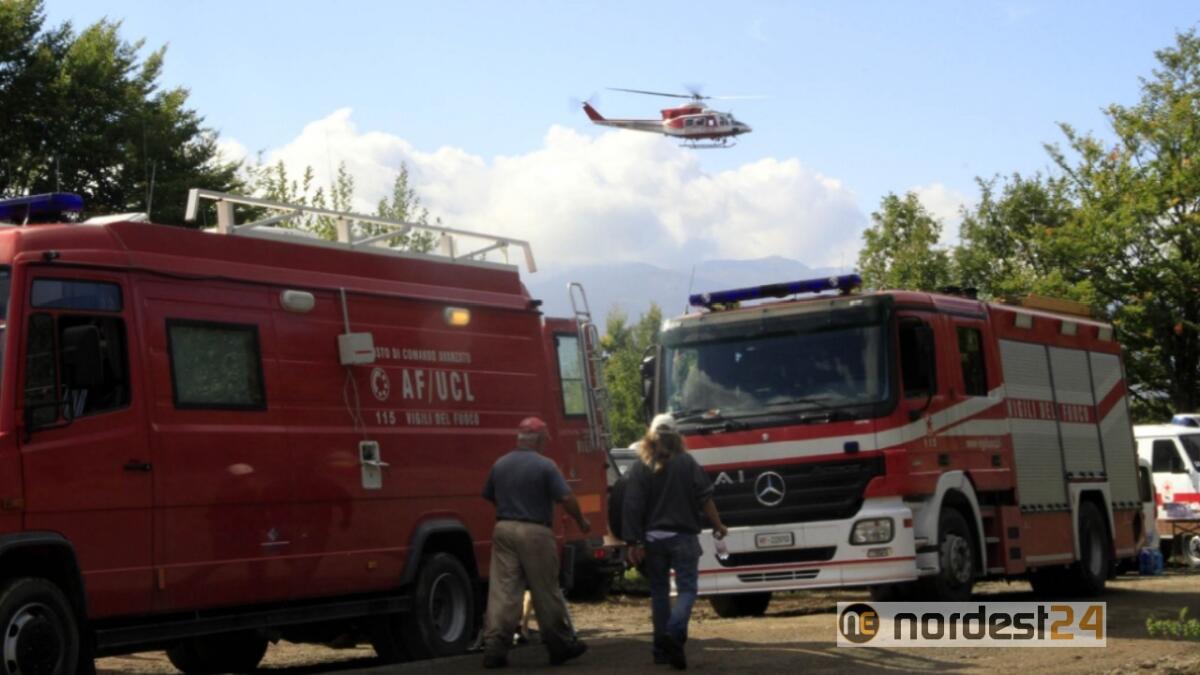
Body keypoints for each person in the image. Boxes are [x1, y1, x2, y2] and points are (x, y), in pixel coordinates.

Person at [481, 417, 591, 669]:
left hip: (504, 528)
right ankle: (560, 645)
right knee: (545, 591)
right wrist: (581, 521)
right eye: (546, 440)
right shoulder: (546, 466)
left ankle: (495, 648)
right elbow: (566, 497)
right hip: (535, 532)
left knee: (504, 592)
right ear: (540, 439)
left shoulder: (500, 464)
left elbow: (489, 495)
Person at [623, 414, 728, 670]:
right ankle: (674, 631)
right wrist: (718, 525)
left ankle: (661, 650)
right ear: (677, 435)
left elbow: (632, 505)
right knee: (687, 590)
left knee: (659, 593)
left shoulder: (640, 465)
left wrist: (633, 542)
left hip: (652, 541)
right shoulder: (687, 462)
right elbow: (705, 498)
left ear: (651, 435)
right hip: (683, 537)